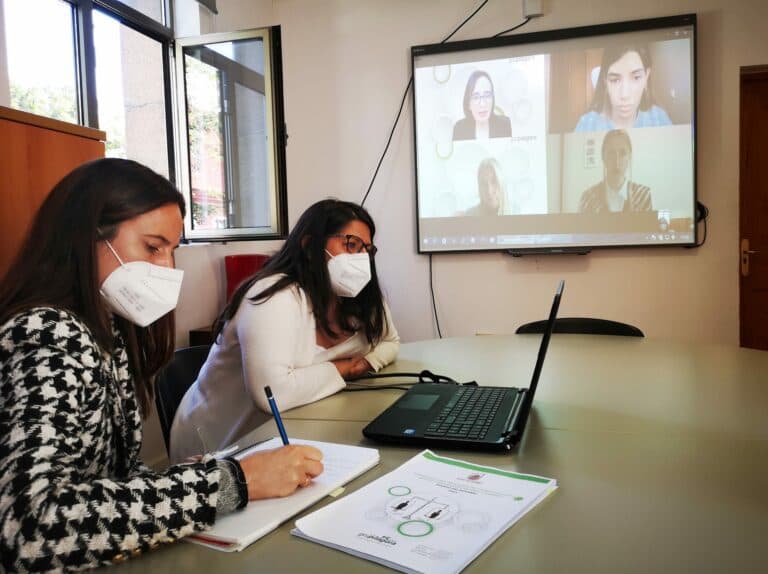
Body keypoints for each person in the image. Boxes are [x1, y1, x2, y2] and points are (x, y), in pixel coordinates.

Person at [0, 158, 324, 571]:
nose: (167, 268)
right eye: (153, 247)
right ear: (87, 237)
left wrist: (201, 476)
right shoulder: (45, 336)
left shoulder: (108, 330)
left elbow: (111, 478)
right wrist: (234, 482)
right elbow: (29, 528)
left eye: (172, 251)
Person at [169, 199, 400, 462]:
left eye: (367, 250)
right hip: (219, 446)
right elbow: (273, 394)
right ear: (310, 246)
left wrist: (366, 363)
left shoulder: (360, 296)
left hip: (296, 425)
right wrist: (344, 369)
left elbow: (390, 340)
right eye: (351, 245)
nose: (361, 259)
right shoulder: (274, 297)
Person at [574, 44, 672, 132]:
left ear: (646, 76)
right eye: (615, 80)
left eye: (636, 77)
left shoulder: (659, 119)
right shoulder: (588, 124)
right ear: (605, 80)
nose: (624, 95)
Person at [578, 129, 652, 213]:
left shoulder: (643, 195)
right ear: (603, 157)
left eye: (622, 153)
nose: (617, 161)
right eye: (611, 153)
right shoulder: (588, 198)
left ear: (629, 157)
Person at [452, 70, 512, 141]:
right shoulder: (459, 129)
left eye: (487, 96)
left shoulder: (505, 125)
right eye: (476, 97)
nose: (483, 104)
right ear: (468, 104)